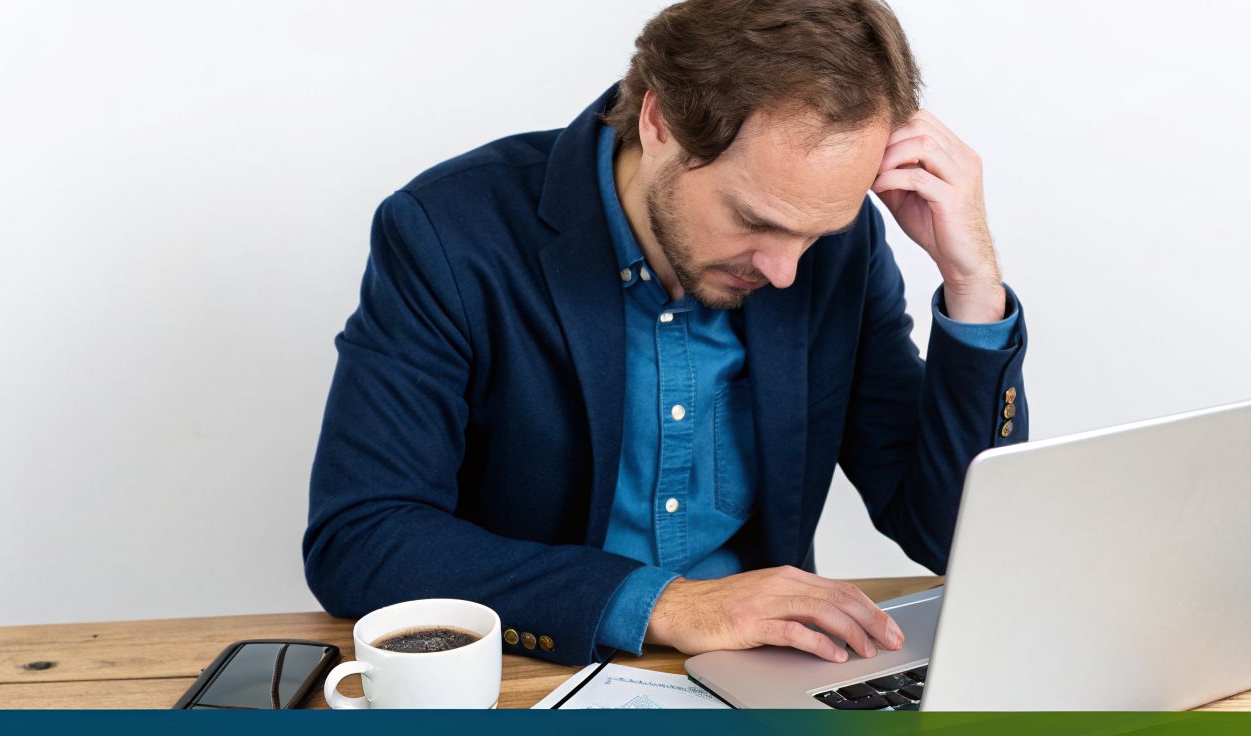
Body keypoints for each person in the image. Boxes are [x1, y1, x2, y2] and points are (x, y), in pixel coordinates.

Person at [304, 0, 1029, 667]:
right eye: (756, 221)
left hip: (768, 681)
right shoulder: (451, 233)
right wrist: (665, 603)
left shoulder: (836, 249)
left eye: (816, 233)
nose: (784, 271)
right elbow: (362, 534)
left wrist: (973, 284)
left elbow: (955, 536)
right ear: (660, 124)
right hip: (542, 675)